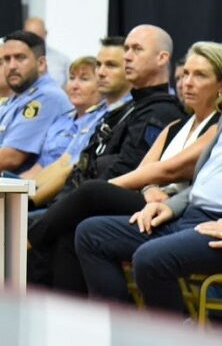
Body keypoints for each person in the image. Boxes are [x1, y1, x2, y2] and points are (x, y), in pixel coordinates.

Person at [28, 42, 222, 294]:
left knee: (91, 192)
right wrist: (148, 189)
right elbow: (145, 171)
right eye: (185, 74)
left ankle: (28, 239)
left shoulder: (215, 127)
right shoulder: (175, 126)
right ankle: (86, 313)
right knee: (75, 232)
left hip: (175, 205)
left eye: (200, 75)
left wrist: (102, 190)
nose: (187, 82)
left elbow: (168, 171)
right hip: (155, 201)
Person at [75, 122, 222, 314]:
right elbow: (206, 184)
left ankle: (172, 331)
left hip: (215, 226)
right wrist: (169, 206)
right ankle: (115, 326)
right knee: (92, 235)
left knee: (150, 258)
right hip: (190, 215)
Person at [29, 36, 133, 206]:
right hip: (66, 195)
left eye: (111, 65)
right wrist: (26, 193)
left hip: (88, 199)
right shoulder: (96, 114)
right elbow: (63, 161)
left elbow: (74, 168)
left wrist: (29, 202)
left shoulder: (130, 112)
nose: (101, 72)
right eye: (99, 65)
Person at [0, 31, 72, 176]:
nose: (11, 66)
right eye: (6, 59)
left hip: (9, 184)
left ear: (41, 64)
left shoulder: (46, 97)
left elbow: (11, 158)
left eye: (20, 58)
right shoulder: (14, 98)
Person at [19, 56, 103, 179]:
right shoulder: (62, 120)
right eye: (72, 78)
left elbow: (70, 170)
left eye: (84, 79)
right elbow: (40, 166)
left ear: (101, 84)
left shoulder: (101, 121)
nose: (74, 85)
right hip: (37, 183)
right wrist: (13, 184)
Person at [24, 17, 70, 87]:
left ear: (45, 33)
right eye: (30, 36)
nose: (33, 40)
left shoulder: (63, 61)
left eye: (37, 37)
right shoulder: (15, 61)